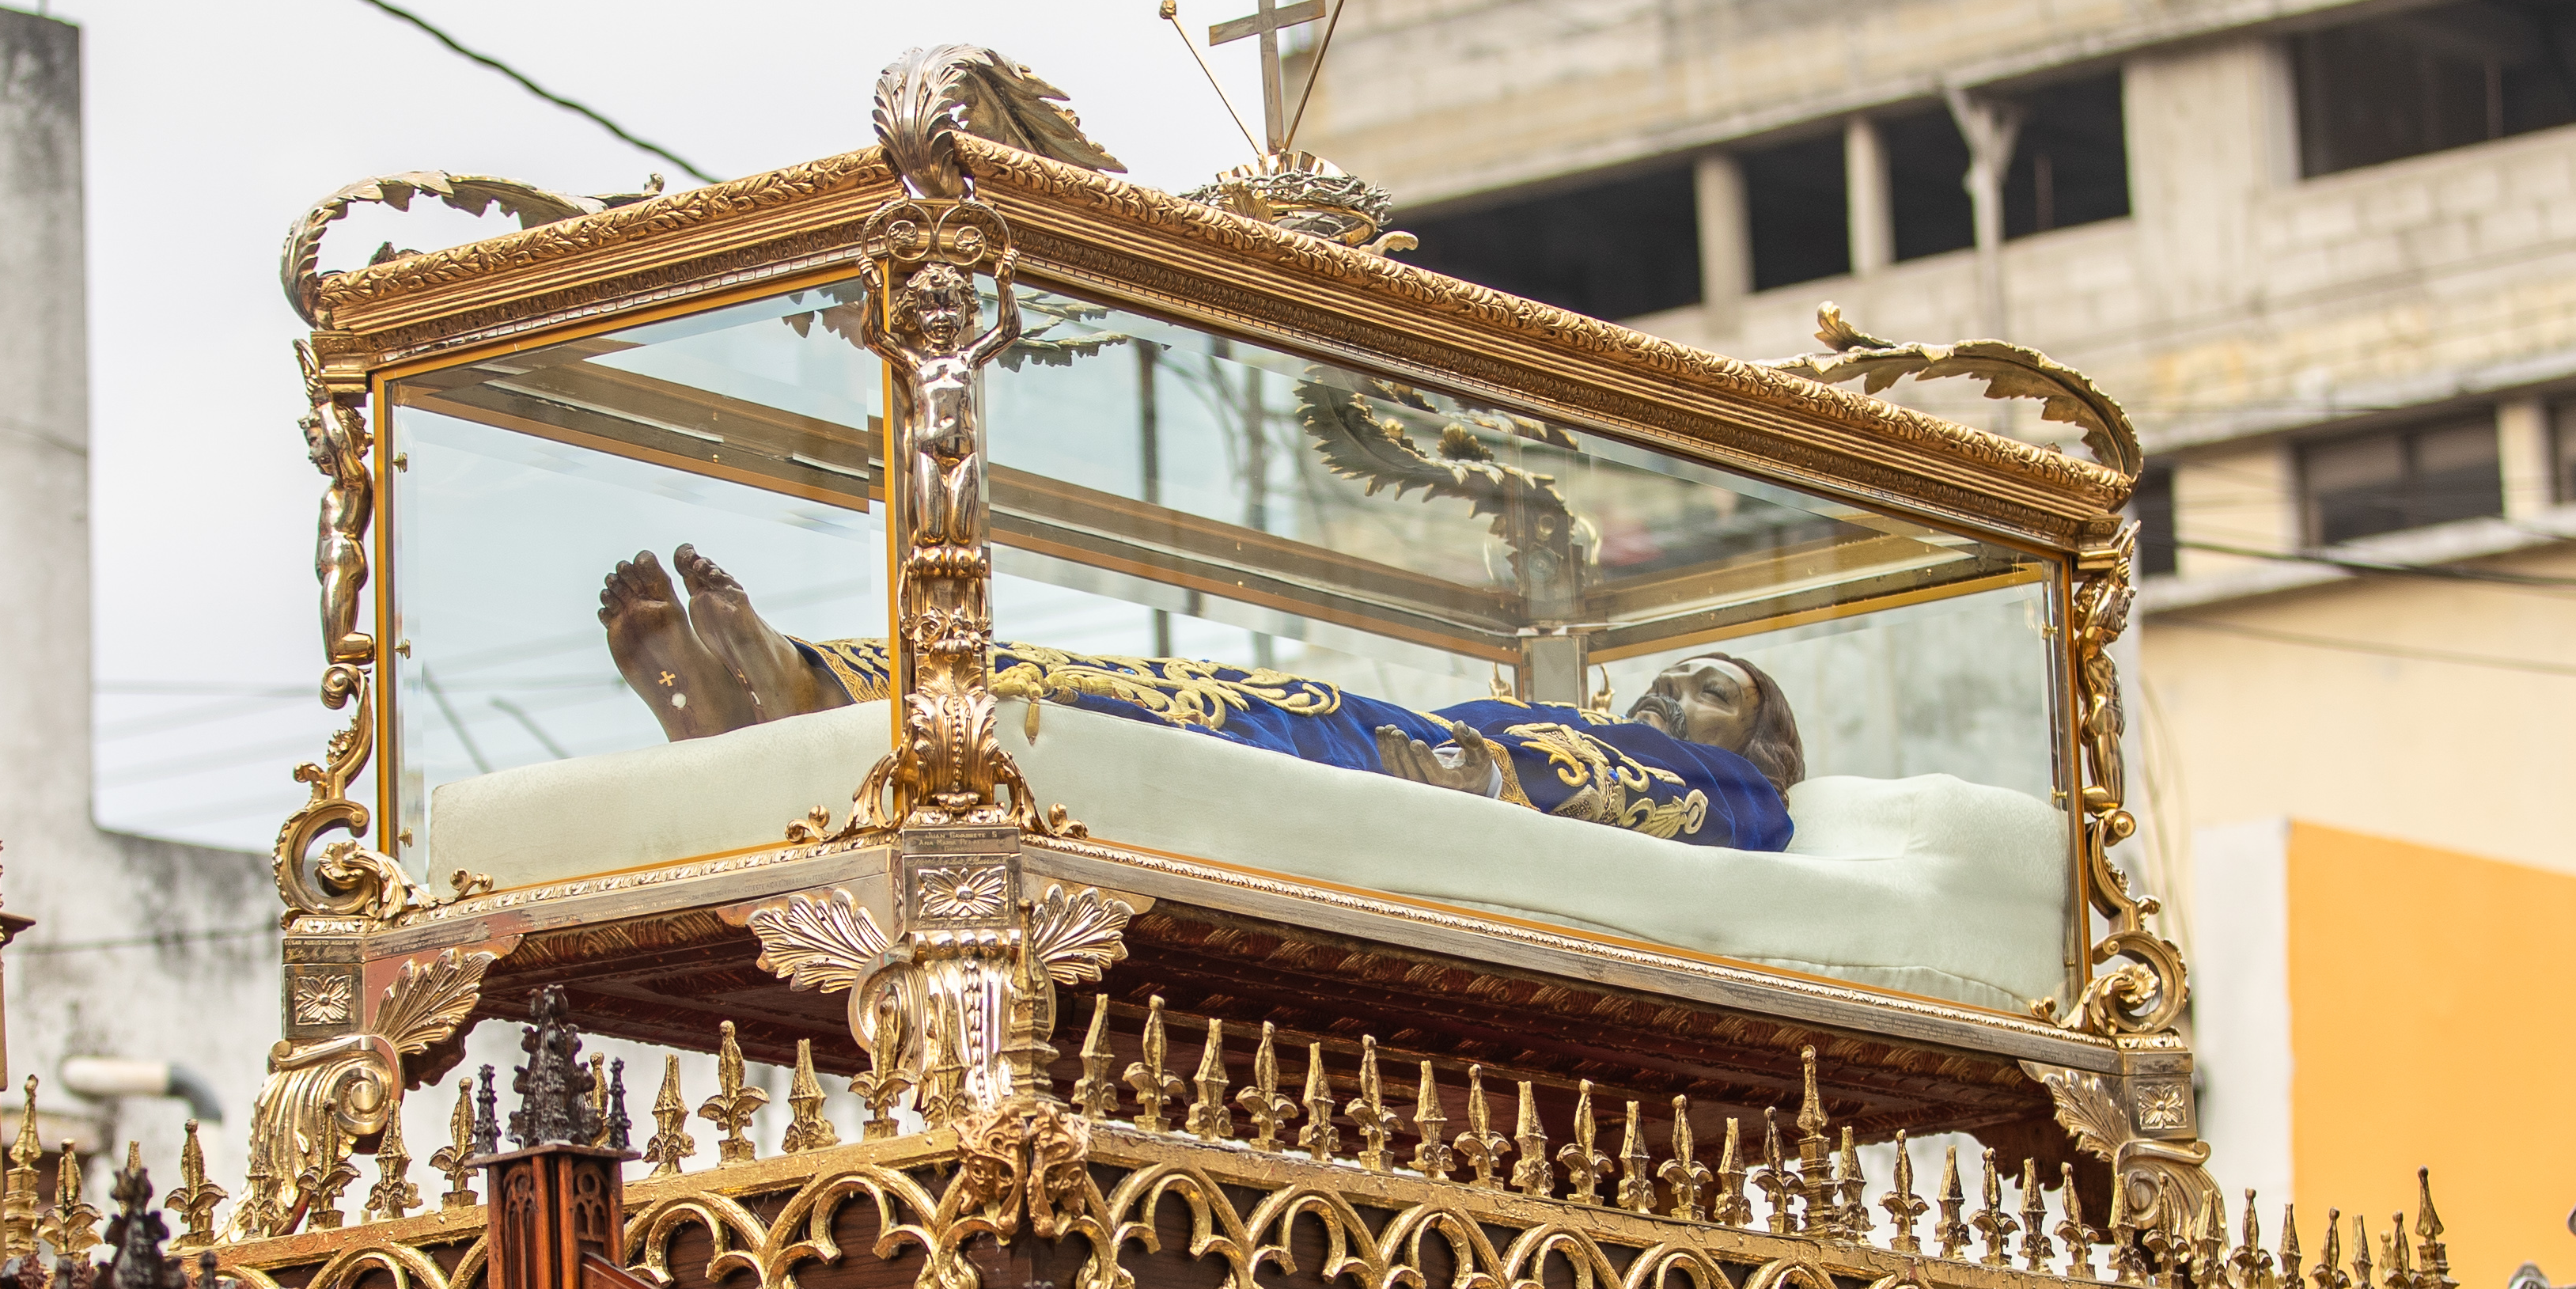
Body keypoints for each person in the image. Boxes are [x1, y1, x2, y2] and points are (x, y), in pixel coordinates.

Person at [597, 545, 1809, 850]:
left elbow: (1586, 795)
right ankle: (795, 679)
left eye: (1712, 689)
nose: (1673, 685)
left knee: (1114, 704)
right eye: (1681, 667)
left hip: (1408, 764)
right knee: (1109, 680)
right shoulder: (1627, 734)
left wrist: (1460, 770)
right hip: (1386, 733)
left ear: (1757, 745)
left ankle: (796, 689)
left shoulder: (1747, 799)